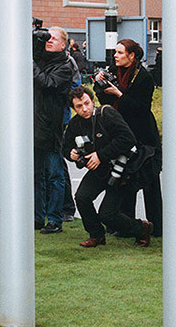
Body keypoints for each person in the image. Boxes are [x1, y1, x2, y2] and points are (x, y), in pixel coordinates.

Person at [65, 87, 153, 248]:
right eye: (79, 106)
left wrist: (100, 155)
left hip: (119, 168)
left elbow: (128, 139)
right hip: (98, 170)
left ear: (92, 101)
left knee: (107, 214)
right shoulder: (74, 124)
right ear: (73, 108)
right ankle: (96, 235)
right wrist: (71, 154)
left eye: (86, 103)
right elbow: (65, 147)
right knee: (82, 198)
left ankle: (142, 228)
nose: (84, 109)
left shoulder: (107, 114)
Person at [94, 38, 163, 237]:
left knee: (150, 182)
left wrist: (119, 94)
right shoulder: (114, 72)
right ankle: (124, 224)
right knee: (124, 179)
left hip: (144, 135)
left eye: (120, 52)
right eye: (115, 52)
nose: (115, 56)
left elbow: (142, 109)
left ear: (132, 56)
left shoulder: (143, 77)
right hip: (122, 133)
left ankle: (156, 227)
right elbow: (106, 101)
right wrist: (100, 85)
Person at [33, 25, 73, 234]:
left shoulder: (64, 67)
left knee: (54, 175)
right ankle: (37, 217)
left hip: (50, 128)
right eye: (48, 38)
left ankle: (55, 219)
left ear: (63, 44)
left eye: (54, 39)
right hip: (35, 126)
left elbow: (46, 83)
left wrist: (30, 64)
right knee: (36, 175)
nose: (49, 41)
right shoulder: (41, 59)